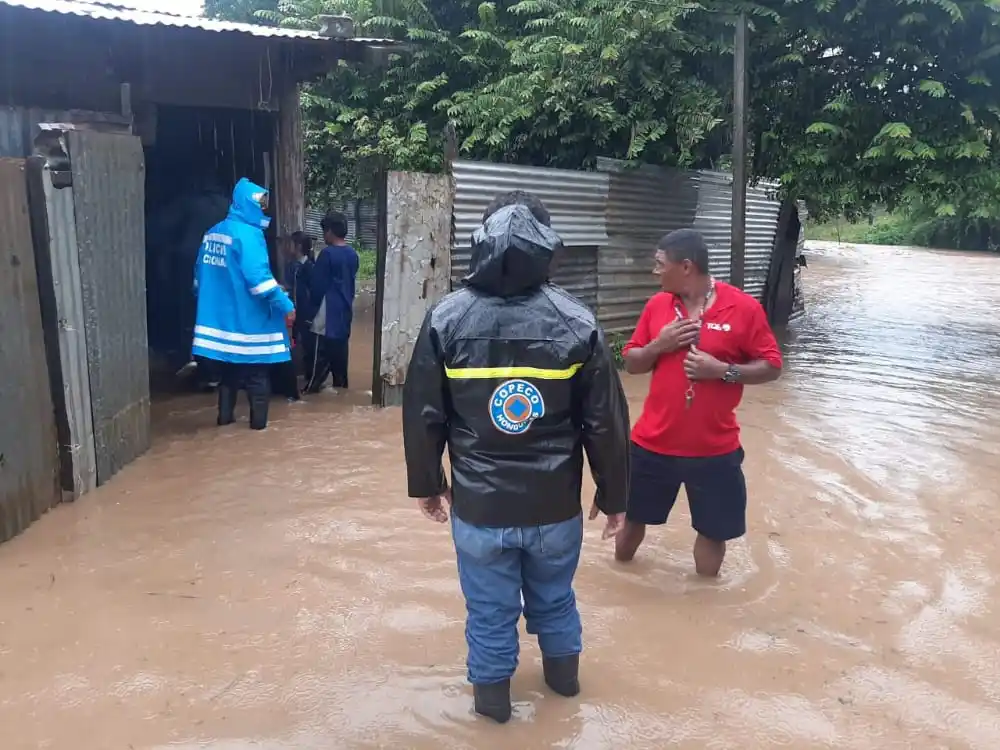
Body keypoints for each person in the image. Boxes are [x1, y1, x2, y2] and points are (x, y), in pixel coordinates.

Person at [402, 191, 631, 724]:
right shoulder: (576, 321)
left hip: (480, 511)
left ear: (480, 240)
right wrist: (615, 494)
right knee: (556, 600)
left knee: (489, 613)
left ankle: (494, 720)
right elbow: (606, 422)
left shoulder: (445, 319)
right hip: (555, 508)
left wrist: (427, 484)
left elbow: (422, 412)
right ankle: (566, 702)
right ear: (548, 245)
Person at [615, 228, 783, 576]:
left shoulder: (743, 308)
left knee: (712, 533)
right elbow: (631, 364)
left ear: (686, 266)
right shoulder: (658, 305)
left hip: (714, 449)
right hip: (651, 443)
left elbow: (772, 366)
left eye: (660, 264)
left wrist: (723, 371)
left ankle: (705, 600)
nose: (654, 271)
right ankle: (621, 578)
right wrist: (659, 345)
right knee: (631, 522)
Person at [192, 178, 295, 430]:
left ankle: (225, 423)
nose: (263, 209)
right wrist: (285, 304)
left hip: (222, 322)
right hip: (248, 322)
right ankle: (259, 431)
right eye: (260, 204)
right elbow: (258, 281)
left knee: (229, 375)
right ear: (247, 203)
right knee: (258, 377)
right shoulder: (249, 235)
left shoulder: (213, 232)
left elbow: (198, 279)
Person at [307, 211, 359, 393]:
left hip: (326, 313)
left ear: (329, 231)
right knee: (340, 358)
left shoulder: (327, 254)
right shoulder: (352, 254)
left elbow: (317, 286)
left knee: (318, 358)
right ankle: (341, 392)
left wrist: (309, 313)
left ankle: (310, 392)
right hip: (344, 311)